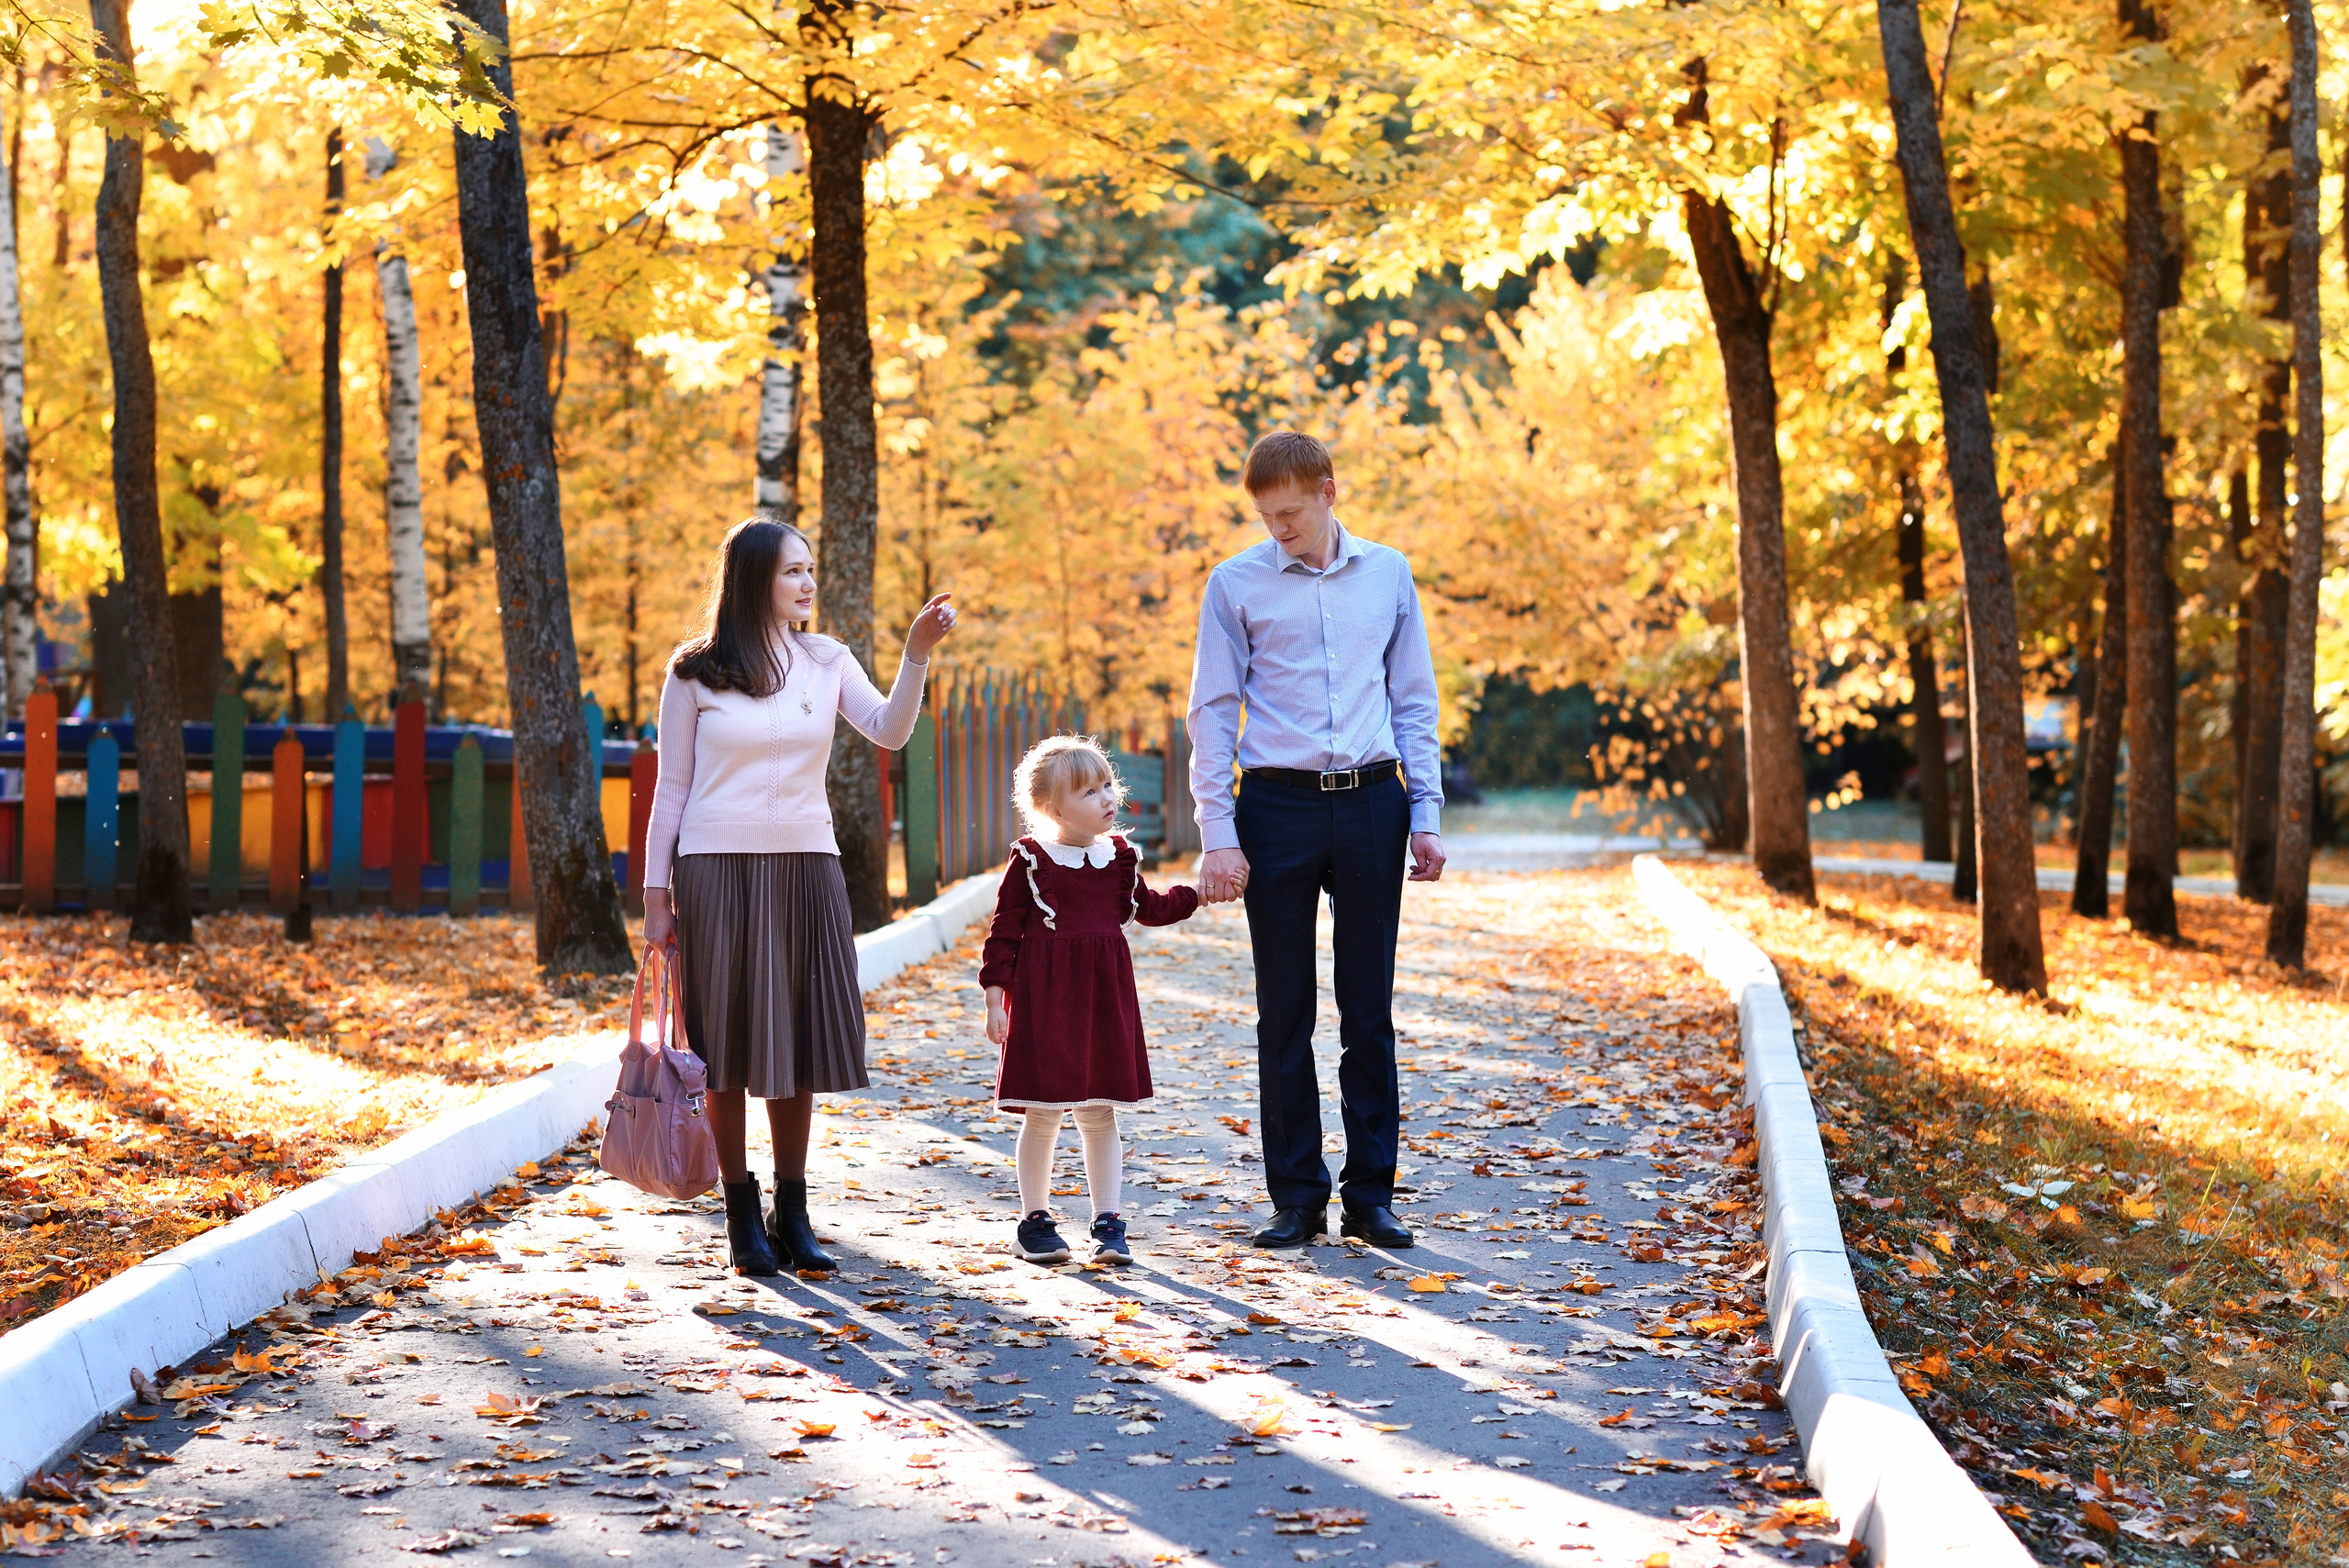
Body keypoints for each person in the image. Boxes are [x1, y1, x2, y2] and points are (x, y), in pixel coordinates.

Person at [641, 517, 957, 1275]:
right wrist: (657, 896)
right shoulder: (694, 671)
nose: (808, 583)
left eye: (810, 569)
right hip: (715, 868)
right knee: (725, 1047)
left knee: (797, 1040)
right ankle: (740, 1210)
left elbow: (888, 730)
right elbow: (672, 788)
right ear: (754, 579)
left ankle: (794, 1206)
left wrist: (914, 654)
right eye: (792, 571)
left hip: (808, 865)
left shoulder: (827, 660)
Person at [1186, 430, 1445, 1251]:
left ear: (1330, 491)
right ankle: (1297, 1194)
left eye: (1291, 512)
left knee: (1368, 1010)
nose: (1279, 529)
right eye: (1266, 516)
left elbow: (1414, 700)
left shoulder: (1390, 573)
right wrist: (1216, 832)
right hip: (1277, 806)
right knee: (1282, 1011)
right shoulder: (1235, 584)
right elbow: (1212, 712)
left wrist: (1427, 812)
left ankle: (1372, 1195)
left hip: (1372, 801)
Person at [980, 735, 1200, 1265]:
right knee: (1044, 1111)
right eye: (1089, 792)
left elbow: (1148, 907)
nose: (1107, 798)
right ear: (1054, 809)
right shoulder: (1031, 862)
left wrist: (1198, 894)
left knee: (1100, 1111)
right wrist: (994, 1002)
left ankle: (1108, 1223)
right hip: (1045, 999)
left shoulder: (1118, 857)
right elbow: (1003, 935)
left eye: (1108, 785)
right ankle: (1034, 1222)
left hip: (1103, 997)